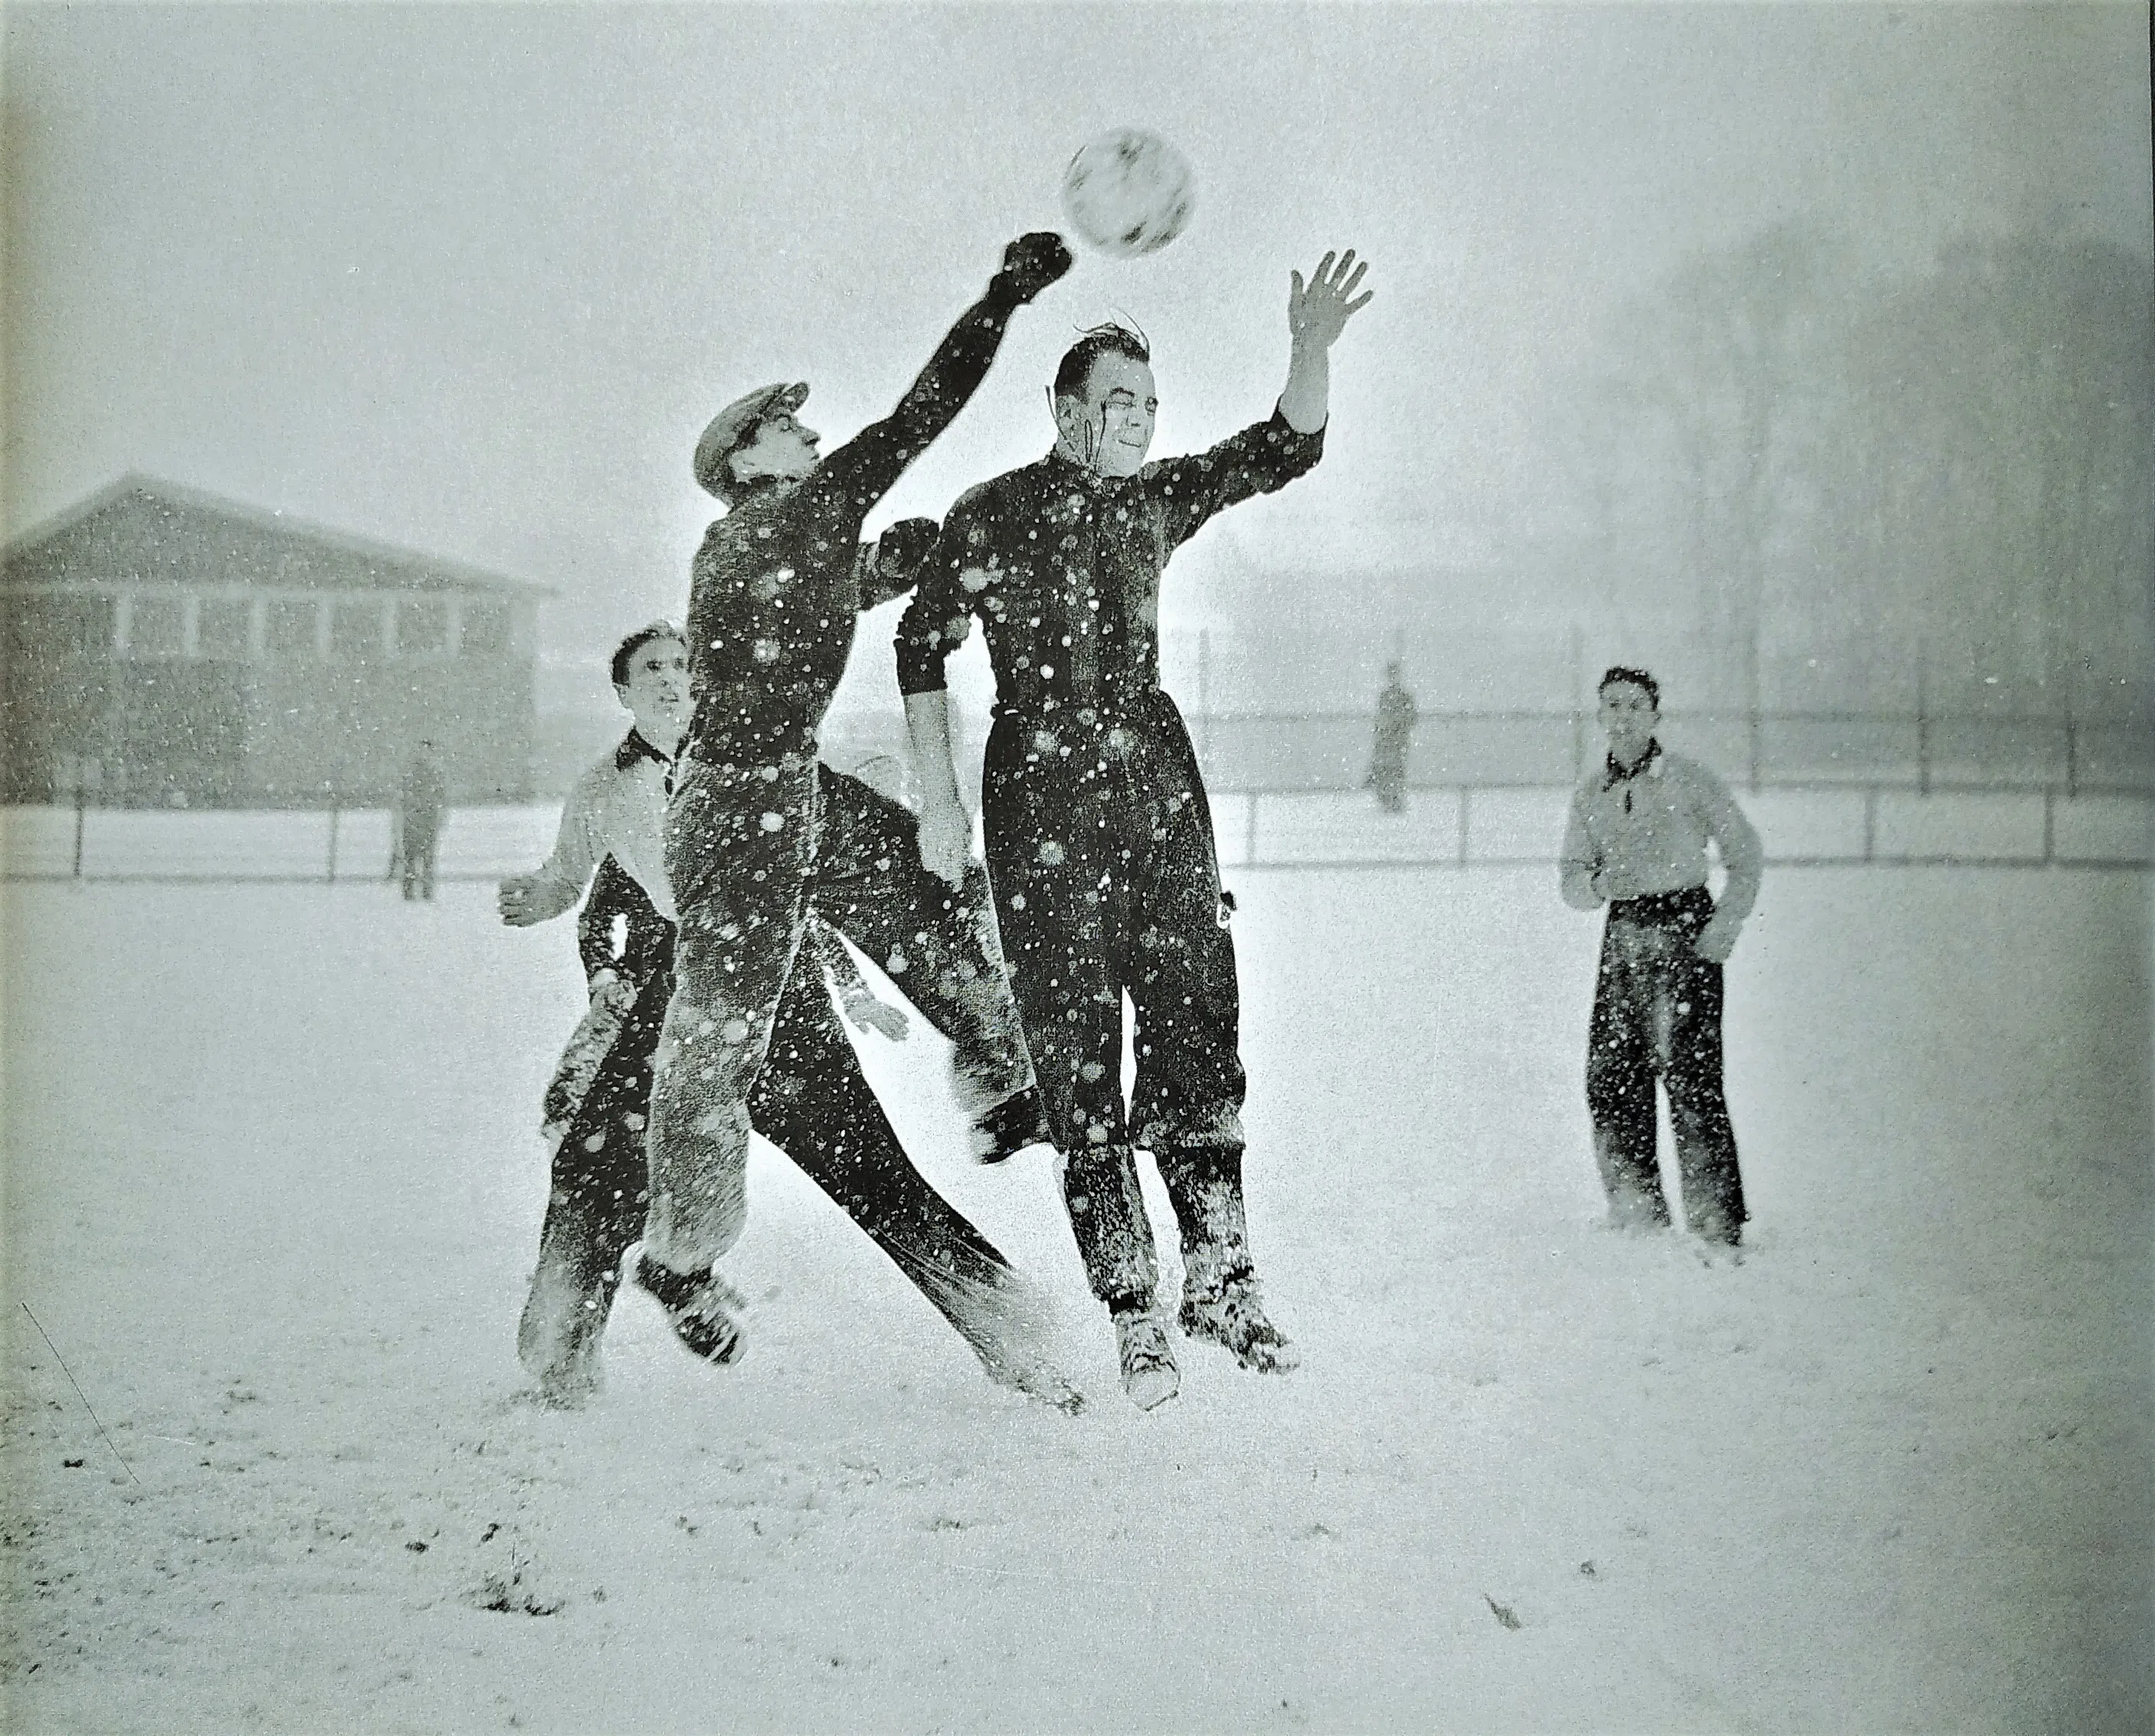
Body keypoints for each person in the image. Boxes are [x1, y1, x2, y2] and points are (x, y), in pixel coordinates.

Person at [896, 249, 1374, 1408]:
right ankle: (1132, 1310)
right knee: (1074, 1060)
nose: (1140, 426)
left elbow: (1279, 450)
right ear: (1064, 411)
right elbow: (920, 640)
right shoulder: (994, 514)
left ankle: (1221, 1281)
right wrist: (939, 798)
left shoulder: (1155, 501)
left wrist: (1308, 351)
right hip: (1038, 785)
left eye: (1150, 409)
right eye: (1118, 406)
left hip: (1154, 781)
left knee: (1197, 1026)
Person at [641, 231, 1073, 1366]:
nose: (816, 435)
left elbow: (785, 626)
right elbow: (918, 415)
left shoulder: (761, 539)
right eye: (792, 426)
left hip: (782, 791)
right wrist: (1002, 299)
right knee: (719, 1036)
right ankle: (680, 1254)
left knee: (935, 885)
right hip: (740, 811)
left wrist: (879, 574)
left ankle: (997, 1069)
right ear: (748, 457)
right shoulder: (785, 518)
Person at [499, 624, 1074, 1409]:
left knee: (877, 1181)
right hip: (678, 1004)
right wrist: (540, 897)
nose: (670, 680)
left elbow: (863, 867)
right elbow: (571, 879)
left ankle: (1021, 1341)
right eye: (651, 670)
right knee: (594, 1169)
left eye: (683, 666)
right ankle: (558, 1372)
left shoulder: (766, 768)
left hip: (783, 998)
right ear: (624, 692)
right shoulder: (603, 788)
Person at [1559, 667, 1763, 1252]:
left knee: (1691, 1078)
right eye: (1611, 707)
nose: (1621, 717)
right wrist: (1601, 884)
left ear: (1654, 716)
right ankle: (1636, 1213)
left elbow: (1744, 855)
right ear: (1600, 718)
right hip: (1623, 939)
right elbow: (1570, 882)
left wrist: (1723, 926)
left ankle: (1715, 1223)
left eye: (1633, 705)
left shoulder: (1688, 780)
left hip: (1684, 936)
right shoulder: (1590, 792)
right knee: (1611, 1077)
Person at [396, 741, 448, 900]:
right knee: (411, 857)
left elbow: (441, 799)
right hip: (413, 821)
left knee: (427, 859)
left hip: (426, 821)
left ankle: (425, 890)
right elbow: (401, 799)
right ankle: (410, 890)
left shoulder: (432, 775)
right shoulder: (413, 776)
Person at [1366, 660, 1418, 814]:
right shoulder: (1385, 696)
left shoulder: (1404, 697)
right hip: (1386, 741)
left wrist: (1397, 725)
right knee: (1384, 769)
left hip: (1396, 742)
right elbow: (1381, 720)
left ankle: (1394, 799)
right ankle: (1387, 799)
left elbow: (1411, 718)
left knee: (1394, 770)